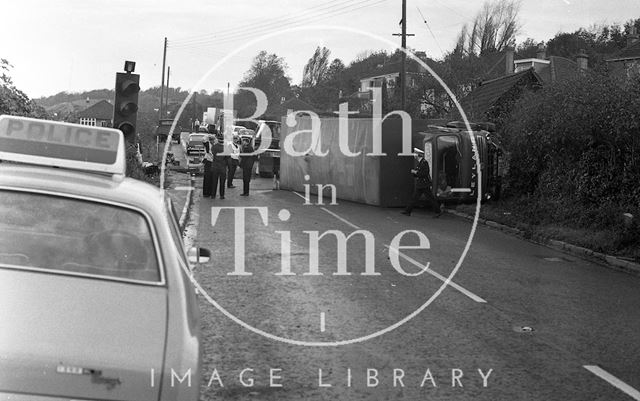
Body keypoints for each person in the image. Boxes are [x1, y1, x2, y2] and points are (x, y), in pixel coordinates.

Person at [402, 148, 442, 217]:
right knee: (415, 198)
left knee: (430, 198)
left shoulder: (424, 163)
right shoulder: (420, 163)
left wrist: (415, 172)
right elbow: (418, 174)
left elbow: (425, 173)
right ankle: (407, 211)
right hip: (421, 184)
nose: (414, 155)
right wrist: (415, 173)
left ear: (418, 155)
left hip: (424, 184)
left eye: (415, 154)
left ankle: (438, 211)